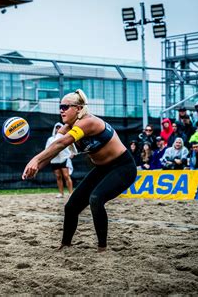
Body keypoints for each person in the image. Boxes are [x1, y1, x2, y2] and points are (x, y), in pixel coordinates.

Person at [22, 89, 136, 252]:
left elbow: (61, 144)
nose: (61, 110)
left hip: (123, 166)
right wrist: (37, 166)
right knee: (71, 207)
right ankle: (65, 245)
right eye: (60, 106)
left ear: (79, 108)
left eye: (65, 106)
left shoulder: (88, 122)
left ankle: (102, 248)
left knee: (96, 199)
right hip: (102, 168)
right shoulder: (67, 127)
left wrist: (35, 159)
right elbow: (55, 149)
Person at [45, 122, 76, 198]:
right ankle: (61, 193)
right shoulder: (50, 139)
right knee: (58, 176)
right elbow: (47, 149)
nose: (58, 129)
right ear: (55, 129)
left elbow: (72, 146)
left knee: (66, 176)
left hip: (64, 158)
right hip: (54, 160)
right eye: (57, 127)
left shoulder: (66, 138)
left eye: (60, 127)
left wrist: (72, 153)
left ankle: (71, 193)